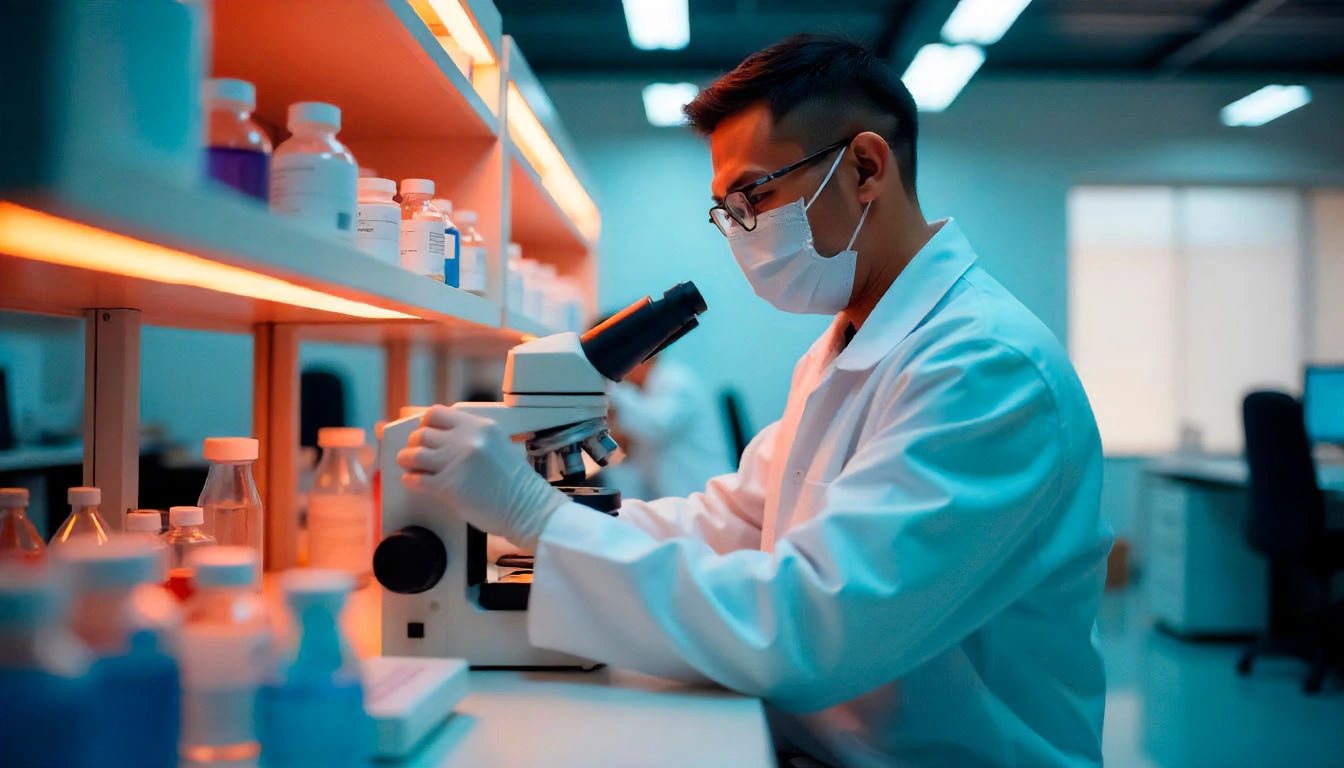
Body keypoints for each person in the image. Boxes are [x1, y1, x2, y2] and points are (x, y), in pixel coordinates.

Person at [399, 35, 1112, 768]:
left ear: (865, 168)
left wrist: (535, 516)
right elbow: (730, 523)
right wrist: (533, 523)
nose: (740, 231)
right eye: (725, 210)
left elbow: (810, 629)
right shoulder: (846, 347)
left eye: (754, 196)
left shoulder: (987, 368)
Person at [603, 345, 736, 499]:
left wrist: (609, 388)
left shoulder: (678, 383)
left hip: (707, 496)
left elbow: (657, 427)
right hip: (677, 502)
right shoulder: (640, 396)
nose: (620, 376)